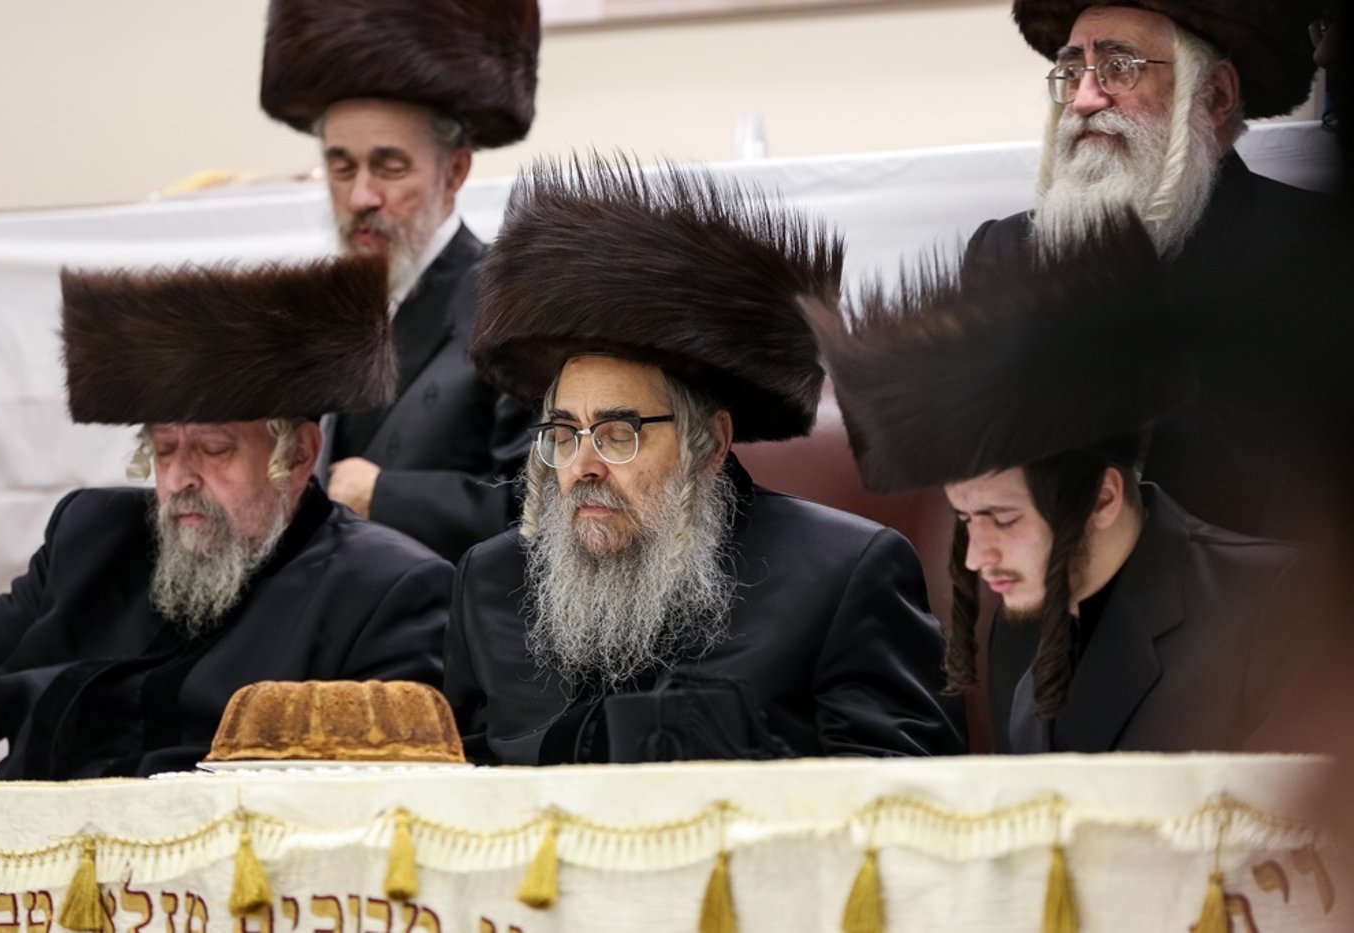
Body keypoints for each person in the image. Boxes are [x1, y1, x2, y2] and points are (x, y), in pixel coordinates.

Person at [444, 155, 966, 766]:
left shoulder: (844, 575)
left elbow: (904, 795)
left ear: (711, 443)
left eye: (617, 434)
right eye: (564, 433)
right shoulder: (491, 580)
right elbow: (453, 785)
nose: (583, 464)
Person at [812, 214, 1315, 753]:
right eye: (966, 519)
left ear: (1102, 498)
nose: (977, 557)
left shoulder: (1282, 605)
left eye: (1003, 518)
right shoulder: (1018, 622)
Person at [0, 257, 453, 780]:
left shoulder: (386, 592)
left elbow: (359, 795)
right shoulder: (89, 535)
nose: (179, 479)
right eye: (164, 449)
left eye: (214, 450)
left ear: (298, 455)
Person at [967, 0, 1335, 540]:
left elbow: (1301, 482)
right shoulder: (1005, 253)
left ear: (1215, 95)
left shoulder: (1316, 250)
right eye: (1072, 71)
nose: (1084, 99)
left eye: (1119, 68)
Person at [259, 0, 541, 562]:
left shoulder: (512, 305)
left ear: (455, 171)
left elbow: (540, 512)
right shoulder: (323, 311)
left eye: (389, 167)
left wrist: (384, 495)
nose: (361, 196)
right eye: (341, 167)